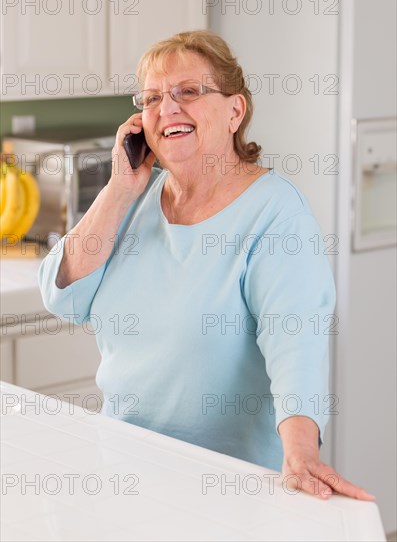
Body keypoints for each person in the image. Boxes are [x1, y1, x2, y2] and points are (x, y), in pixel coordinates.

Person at [38, 30, 374, 501]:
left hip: (223, 486)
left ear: (235, 111)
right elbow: (63, 295)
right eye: (153, 98)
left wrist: (302, 453)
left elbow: (296, 343)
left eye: (189, 92)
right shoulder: (133, 199)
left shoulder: (276, 215)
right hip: (123, 468)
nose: (168, 108)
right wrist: (118, 188)